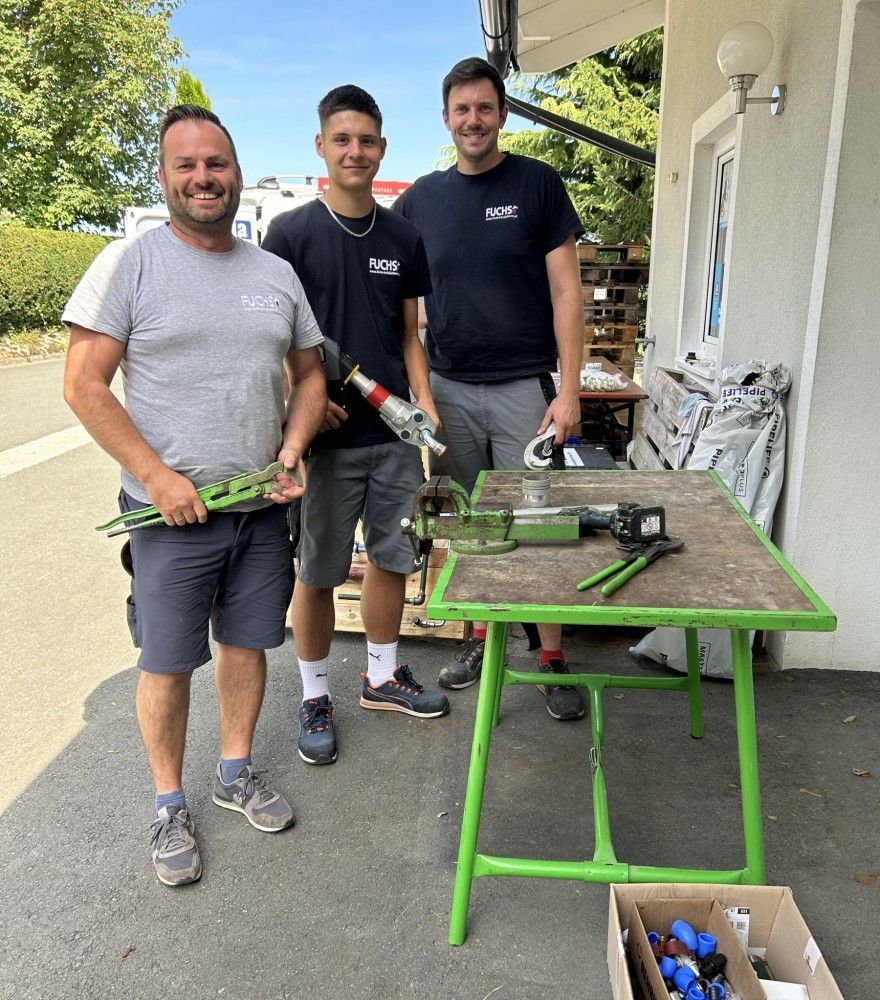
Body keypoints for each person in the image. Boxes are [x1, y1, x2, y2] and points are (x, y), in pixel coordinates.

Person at [62, 104, 327, 886]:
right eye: (187, 165)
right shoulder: (129, 264)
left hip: (260, 508)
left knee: (246, 646)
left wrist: (291, 445)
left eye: (216, 163)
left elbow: (309, 376)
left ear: (237, 172)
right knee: (169, 661)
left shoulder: (274, 274)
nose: (204, 178)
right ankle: (169, 803)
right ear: (164, 176)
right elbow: (82, 385)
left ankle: (234, 770)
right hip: (171, 517)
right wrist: (156, 475)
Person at [261, 85, 449, 767]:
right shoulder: (290, 234)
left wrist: (423, 403)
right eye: (342, 140)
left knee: (393, 559)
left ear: (382, 149)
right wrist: (302, 398)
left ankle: (380, 676)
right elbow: (275, 333)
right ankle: (314, 694)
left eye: (366, 141)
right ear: (321, 146)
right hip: (329, 440)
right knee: (317, 569)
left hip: (393, 436)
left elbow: (408, 336)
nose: (355, 152)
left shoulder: (403, 238)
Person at [394, 57, 586, 721]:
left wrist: (570, 389)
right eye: (461, 110)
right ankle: (479, 637)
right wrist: (415, 390)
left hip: (523, 391)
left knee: (538, 524)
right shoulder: (420, 199)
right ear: (446, 119)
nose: (472, 120)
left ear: (501, 114)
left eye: (484, 107)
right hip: (447, 389)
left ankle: (552, 654)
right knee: (466, 524)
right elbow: (397, 295)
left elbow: (567, 290)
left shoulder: (537, 185)